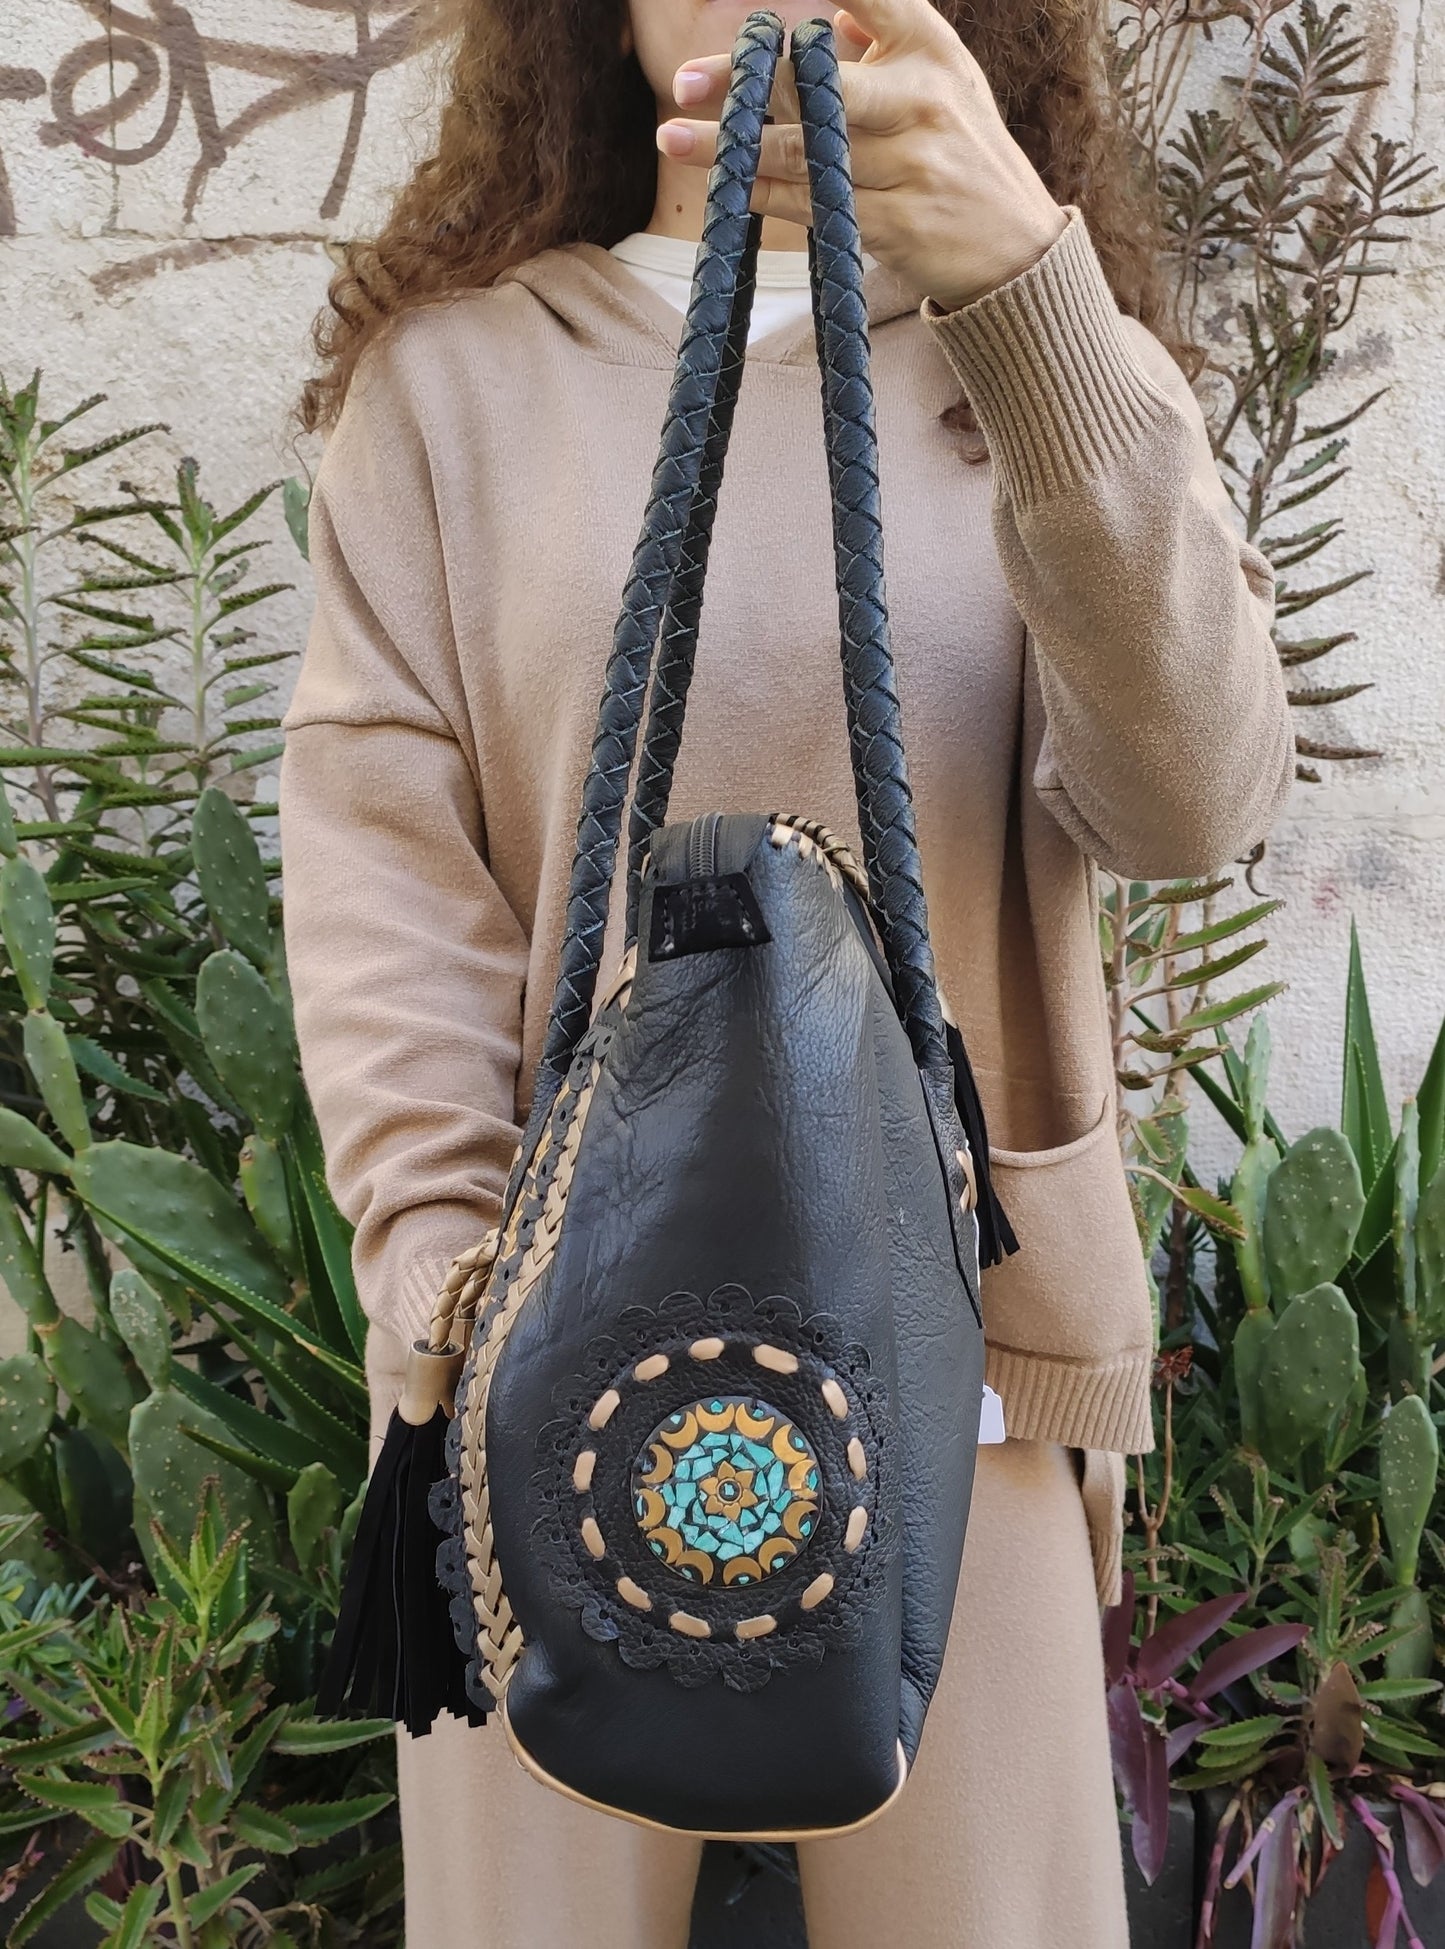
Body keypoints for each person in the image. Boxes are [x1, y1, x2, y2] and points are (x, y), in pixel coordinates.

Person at [280, 1, 1295, 1943]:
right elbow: (379, 886)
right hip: (529, 1387)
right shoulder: (456, 383)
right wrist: (457, 1291)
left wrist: (1031, 298)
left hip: (972, 1380)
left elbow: (1195, 801)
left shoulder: (1035, 361)